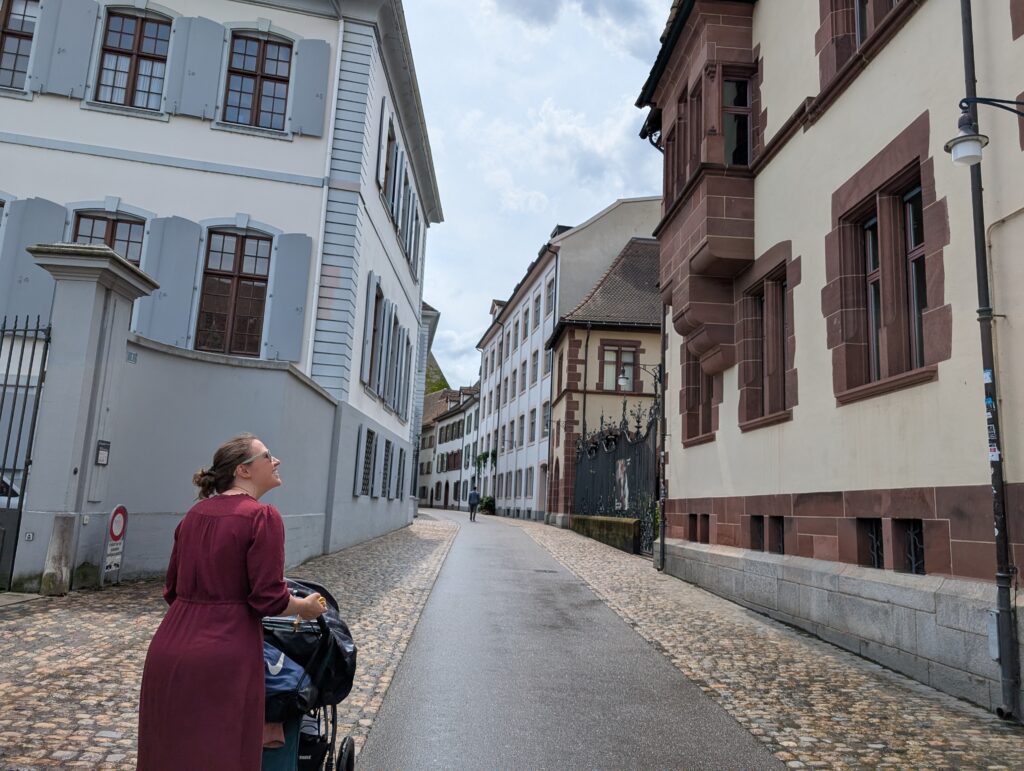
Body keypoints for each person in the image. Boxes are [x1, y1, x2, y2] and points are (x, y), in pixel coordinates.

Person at [137, 434, 326, 771]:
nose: (276, 460)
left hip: (169, 647)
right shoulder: (262, 517)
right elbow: (268, 598)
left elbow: (172, 589)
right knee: (222, 754)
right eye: (267, 455)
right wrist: (304, 607)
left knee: (169, 752)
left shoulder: (194, 515)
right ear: (243, 470)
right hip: (226, 653)